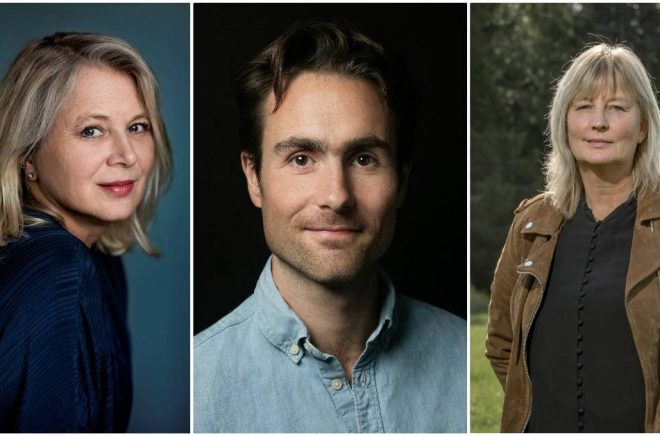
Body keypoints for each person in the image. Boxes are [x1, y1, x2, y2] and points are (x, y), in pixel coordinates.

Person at [194, 21, 466, 433]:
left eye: (363, 159)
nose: (337, 196)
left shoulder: (468, 358)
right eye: (301, 158)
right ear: (254, 177)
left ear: (402, 180)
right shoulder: (197, 391)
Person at [0, 32, 172, 432]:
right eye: (92, 130)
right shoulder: (59, 268)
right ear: (29, 154)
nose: (126, 155)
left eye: (137, 126)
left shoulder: (97, 258)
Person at [486, 43, 660, 433]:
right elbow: (501, 342)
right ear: (564, 122)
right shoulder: (531, 224)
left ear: (643, 125)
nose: (598, 122)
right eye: (583, 107)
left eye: (616, 108)